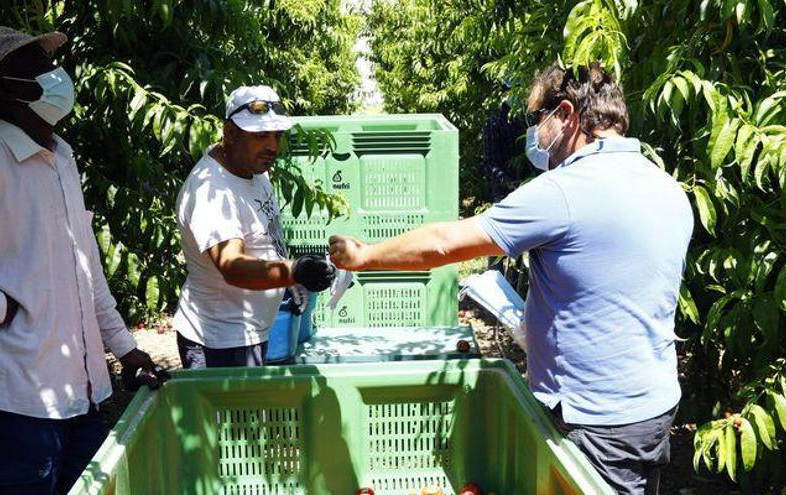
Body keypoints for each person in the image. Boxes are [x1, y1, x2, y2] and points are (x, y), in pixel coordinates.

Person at [329, 62, 693, 495]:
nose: (533, 135)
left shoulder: (565, 189)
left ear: (566, 115)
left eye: (535, 119)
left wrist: (365, 255)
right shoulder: (667, 187)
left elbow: (447, 242)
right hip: (652, 409)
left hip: (594, 420)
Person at [0, 26, 168, 494]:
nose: (57, 75)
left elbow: (86, 270)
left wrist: (125, 350)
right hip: (14, 401)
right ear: (7, 89)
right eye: (41, 67)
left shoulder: (61, 159)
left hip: (82, 393)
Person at [173, 85, 335, 369]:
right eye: (260, 136)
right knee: (233, 415)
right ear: (230, 133)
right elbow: (232, 266)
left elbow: (261, 239)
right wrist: (294, 270)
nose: (272, 146)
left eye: (277, 135)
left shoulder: (253, 168)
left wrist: (288, 281)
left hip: (249, 332)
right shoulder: (212, 191)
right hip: (219, 342)